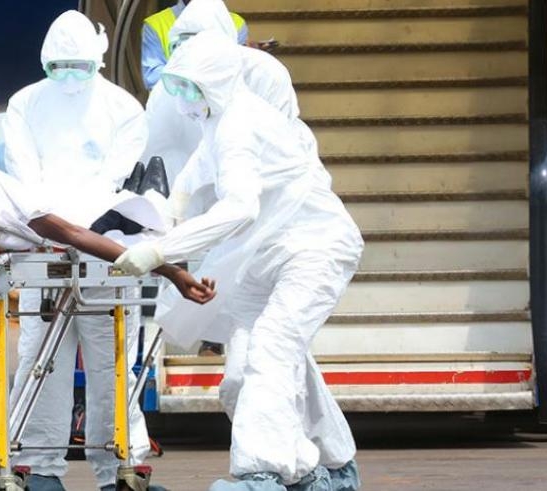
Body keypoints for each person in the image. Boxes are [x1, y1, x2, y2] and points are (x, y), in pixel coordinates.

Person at [114, 31, 363, 491]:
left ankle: (261, 474)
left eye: (190, 88)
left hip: (313, 248)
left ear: (218, 82)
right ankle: (326, 467)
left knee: (270, 349)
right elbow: (187, 187)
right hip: (266, 256)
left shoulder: (241, 125)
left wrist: (158, 251)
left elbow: (239, 207)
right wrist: (151, 215)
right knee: (245, 369)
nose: (182, 99)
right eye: (177, 87)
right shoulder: (219, 125)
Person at [2, 10, 163, 491]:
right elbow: (23, 170)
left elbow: (114, 177)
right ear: (44, 62)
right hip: (44, 245)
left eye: (79, 66)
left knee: (110, 364)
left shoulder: (123, 108)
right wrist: (52, 227)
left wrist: (72, 229)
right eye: (59, 67)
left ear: (97, 59)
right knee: (39, 360)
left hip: (106, 248)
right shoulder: (24, 103)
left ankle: (120, 466)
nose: (69, 77)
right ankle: (38, 466)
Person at [142, 0, 305, 357]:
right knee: (211, 266)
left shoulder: (263, 75)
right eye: (181, 43)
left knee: (253, 285)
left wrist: (159, 250)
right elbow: (161, 146)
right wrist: (171, 203)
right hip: (211, 189)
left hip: (262, 195)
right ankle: (214, 338)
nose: (191, 51)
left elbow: (278, 143)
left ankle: (229, 340)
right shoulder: (174, 84)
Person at [0, 151, 215, 307]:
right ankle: (149, 197)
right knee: (132, 211)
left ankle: (141, 193)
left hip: (56, 206)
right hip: (75, 221)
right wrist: (168, 270)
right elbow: (73, 234)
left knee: (123, 203)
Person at [141, 0, 247, 90]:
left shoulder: (236, 24)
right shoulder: (156, 24)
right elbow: (152, 77)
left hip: (224, 105)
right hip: (172, 104)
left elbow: (239, 73)